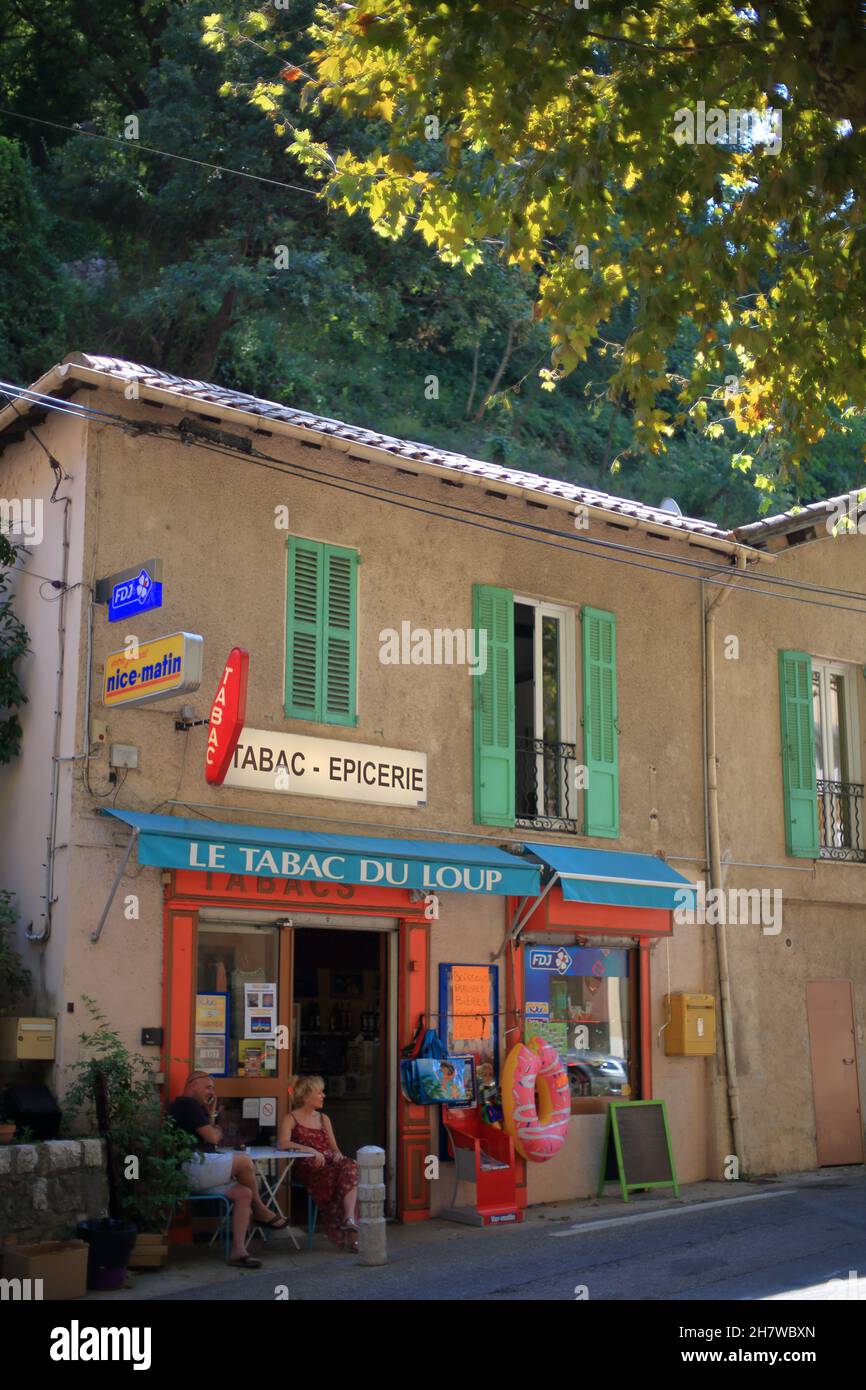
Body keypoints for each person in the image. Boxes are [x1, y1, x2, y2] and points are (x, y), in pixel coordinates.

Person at [169, 1070, 289, 1268]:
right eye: (208, 1087)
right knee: (243, 1161)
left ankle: (238, 1251)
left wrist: (212, 1115)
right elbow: (214, 1137)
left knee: (243, 1193)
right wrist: (214, 1126)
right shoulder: (186, 1104)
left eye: (213, 1088)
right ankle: (260, 1210)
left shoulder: (197, 1108)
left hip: (199, 1171)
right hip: (190, 1166)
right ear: (192, 1084)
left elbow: (213, 1133)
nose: (211, 1092)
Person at [276, 1075, 359, 1252]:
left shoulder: (324, 1118)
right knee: (346, 1177)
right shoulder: (291, 1118)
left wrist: (337, 1154)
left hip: (330, 1163)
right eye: (319, 1092)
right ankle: (351, 1231)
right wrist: (310, 1150)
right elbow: (283, 1143)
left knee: (350, 1165)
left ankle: (350, 1218)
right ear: (306, 1097)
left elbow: (335, 1147)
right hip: (310, 1168)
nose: (323, 1096)